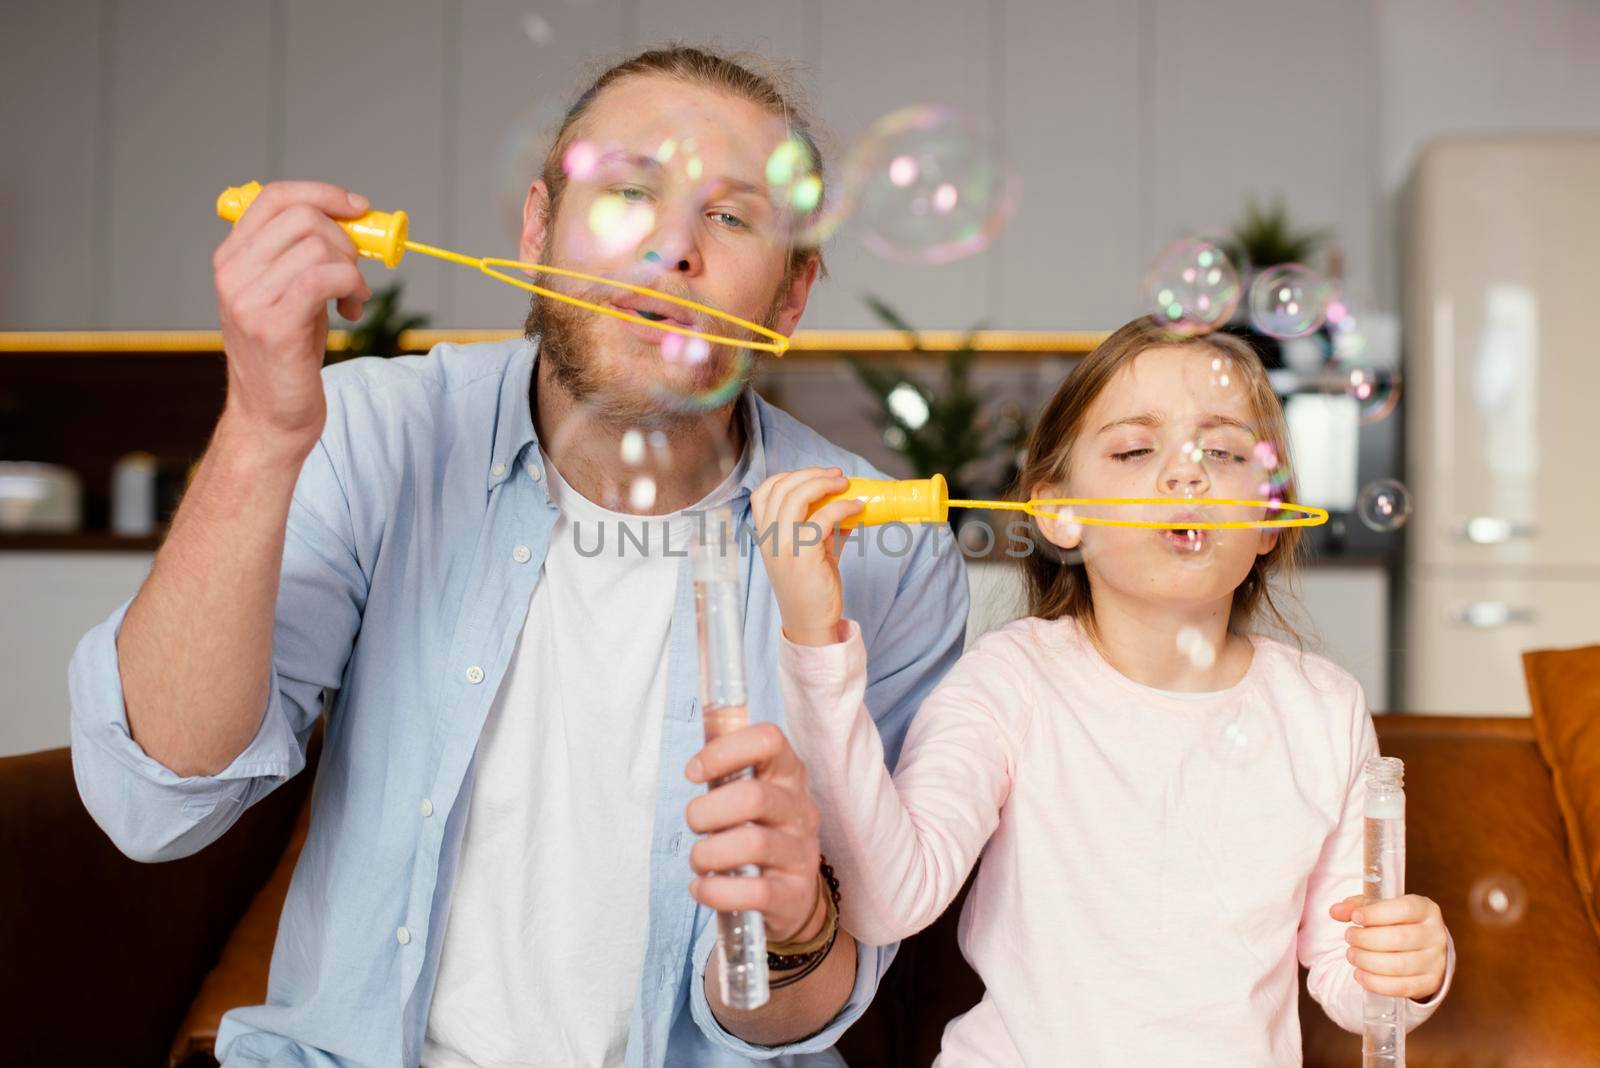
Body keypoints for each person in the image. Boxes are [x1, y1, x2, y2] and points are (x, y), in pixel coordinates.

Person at [69, 46, 967, 1067]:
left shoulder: (883, 545)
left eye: (731, 216)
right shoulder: (371, 433)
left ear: (792, 294)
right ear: (539, 230)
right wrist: (263, 429)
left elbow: (801, 1014)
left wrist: (796, 924)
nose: (672, 249)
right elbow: (155, 805)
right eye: (630, 191)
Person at [736, 317, 1456, 1065]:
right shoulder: (1010, 682)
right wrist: (815, 634)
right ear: (1058, 513)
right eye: (1136, 449)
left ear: (1271, 519)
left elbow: (1354, 983)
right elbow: (888, 900)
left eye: (1223, 450)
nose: (1187, 475)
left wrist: (1409, 967)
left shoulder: (1325, 711)